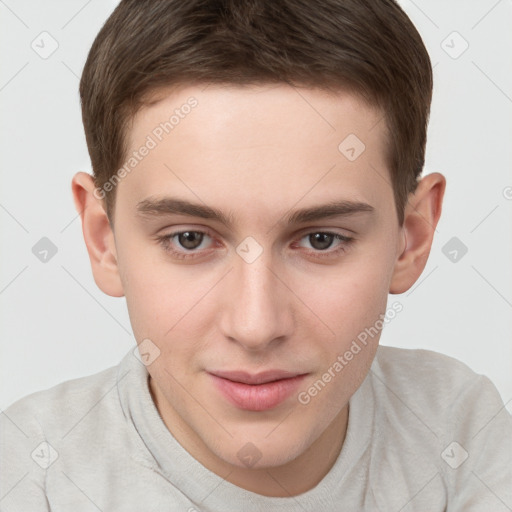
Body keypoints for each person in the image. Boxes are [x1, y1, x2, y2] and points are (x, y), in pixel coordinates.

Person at [1, 0, 511, 510]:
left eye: (321, 240)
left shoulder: (460, 430)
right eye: (190, 239)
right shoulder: (28, 476)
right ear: (103, 238)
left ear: (412, 237)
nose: (256, 326)